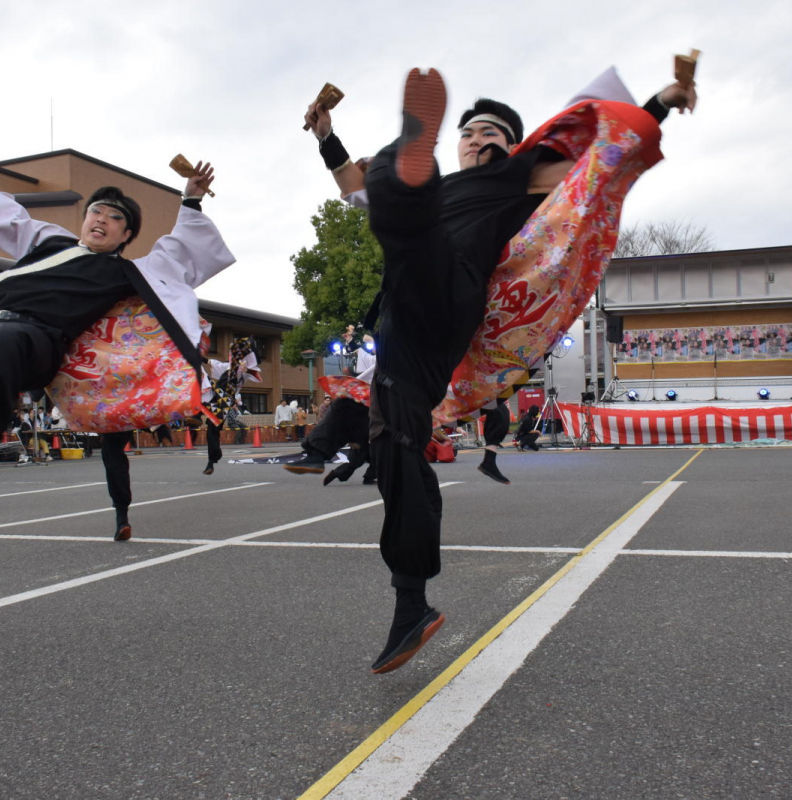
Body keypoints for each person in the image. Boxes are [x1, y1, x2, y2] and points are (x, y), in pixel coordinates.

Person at [304, 65, 693, 673]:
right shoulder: (445, 184)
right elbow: (349, 183)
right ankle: (412, 606)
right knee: (396, 448)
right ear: (455, 143)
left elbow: (598, 152)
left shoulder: (521, 174)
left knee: (405, 211)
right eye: (470, 132)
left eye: (493, 133)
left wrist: (662, 101)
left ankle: (407, 163)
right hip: (404, 326)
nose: (480, 139)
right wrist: (325, 134)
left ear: (514, 147)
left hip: (452, 288)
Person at [0, 160, 230, 557]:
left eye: (115, 218)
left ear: (125, 235)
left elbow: (179, 254)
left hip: (36, 341)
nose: (102, 220)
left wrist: (192, 198)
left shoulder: (126, 273)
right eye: (96, 211)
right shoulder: (51, 241)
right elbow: (6, 225)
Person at [287, 332, 378, 486]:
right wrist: (351, 341)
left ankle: (321, 458)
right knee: (366, 445)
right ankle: (319, 456)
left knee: (370, 446)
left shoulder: (398, 354)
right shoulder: (377, 359)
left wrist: (375, 340)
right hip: (368, 402)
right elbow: (364, 356)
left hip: (381, 402)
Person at [201, 336, 261, 475]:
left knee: (213, 427)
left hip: (226, 400)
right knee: (211, 426)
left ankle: (211, 461)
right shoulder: (225, 366)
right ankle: (211, 460)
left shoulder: (245, 370)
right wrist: (195, 356)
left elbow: (258, 376)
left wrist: (247, 370)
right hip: (215, 396)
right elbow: (208, 361)